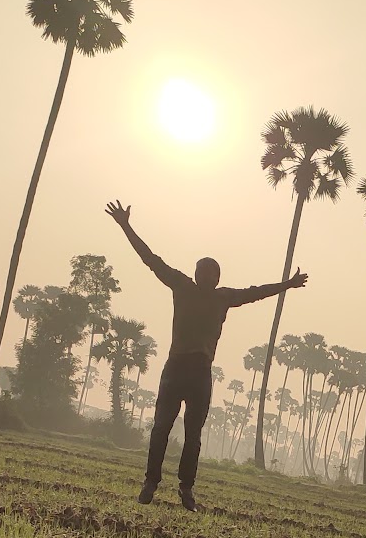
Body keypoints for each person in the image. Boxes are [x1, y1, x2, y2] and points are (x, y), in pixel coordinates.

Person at [105, 200, 307, 510]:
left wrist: (288, 285)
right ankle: (150, 482)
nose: (205, 276)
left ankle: (186, 489)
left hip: (200, 372)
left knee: (193, 435)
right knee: (160, 428)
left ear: (217, 278)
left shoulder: (224, 298)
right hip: (176, 367)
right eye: (202, 271)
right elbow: (150, 259)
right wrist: (126, 226)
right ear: (195, 274)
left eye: (211, 273)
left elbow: (257, 292)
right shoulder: (181, 285)